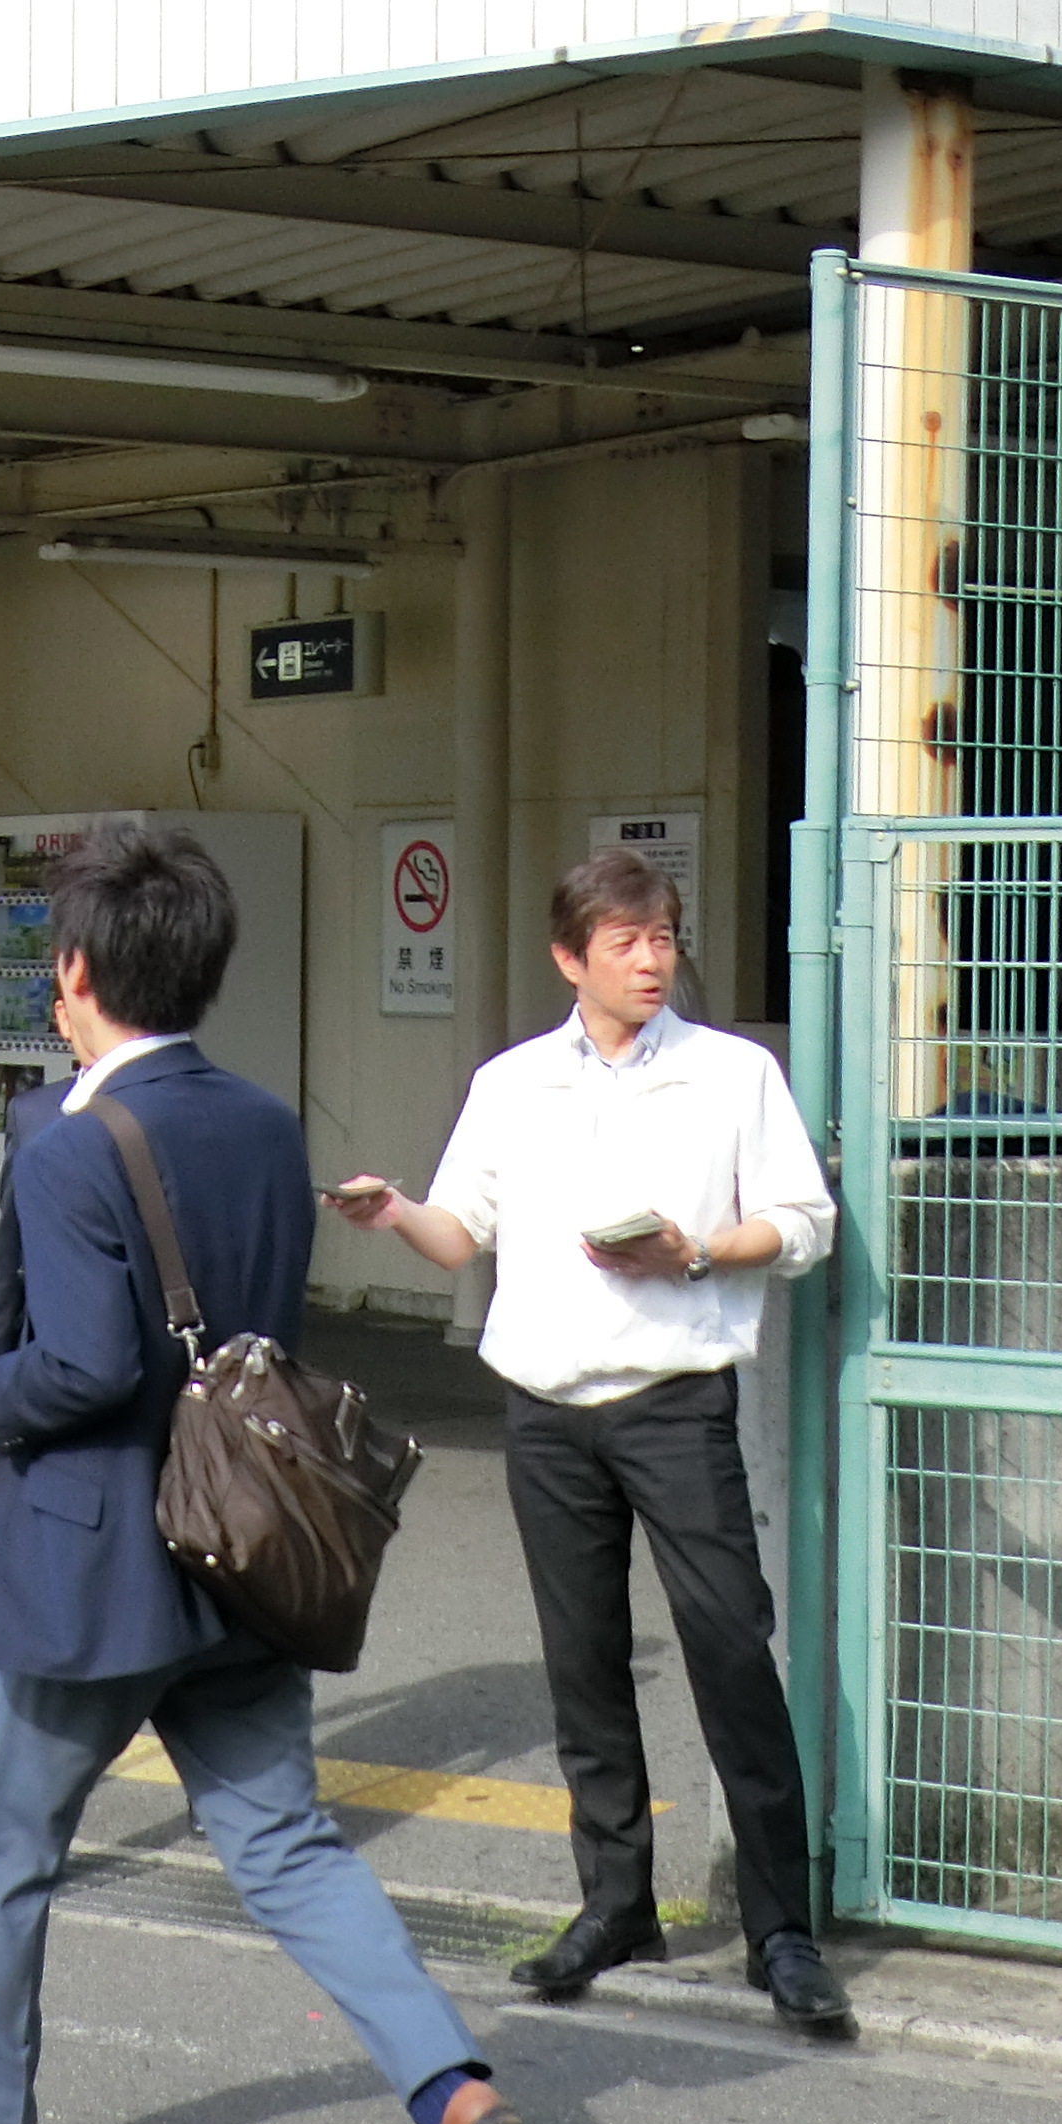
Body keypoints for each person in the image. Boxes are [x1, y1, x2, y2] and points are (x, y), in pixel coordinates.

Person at [0, 824, 531, 2124]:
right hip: (245, 1541)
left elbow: (86, 1362)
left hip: (96, 1560)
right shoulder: (265, 1126)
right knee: (285, 1843)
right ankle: (448, 2092)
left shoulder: (70, 1141)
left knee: (12, 1840)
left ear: (77, 971)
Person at [333, 847, 852, 2037]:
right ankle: (615, 1903)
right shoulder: (515, 1083)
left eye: (664, 936)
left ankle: (782, 1930)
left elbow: (808, 1223)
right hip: (546, 1409)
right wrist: (393, 1213)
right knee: (584, 1663)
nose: (652, 959)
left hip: (674, 1400)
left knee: (730, 1651)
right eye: (625, 942)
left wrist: (695, 1251)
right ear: (572, 958)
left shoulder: (732, 1075)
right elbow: (461, 1235)